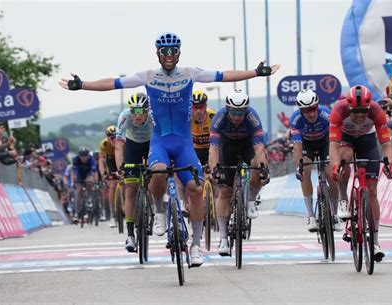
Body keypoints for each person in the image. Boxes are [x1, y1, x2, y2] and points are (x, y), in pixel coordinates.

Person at [59, 32, 279, 267]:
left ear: (179, 53)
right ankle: (159, 212)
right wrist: (82, 85)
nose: (169, 55)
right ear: (158, 54)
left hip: (184, 143)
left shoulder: (190, 73)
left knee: (196, 190)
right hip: (160, 141)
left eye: (173, 51)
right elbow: (113, 83)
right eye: (164, 51)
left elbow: (224, 75)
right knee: (158, 172)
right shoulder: (148, 76)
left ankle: (195, 246)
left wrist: (256, 72)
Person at [329, 85, 392, 262]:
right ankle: (343, 199)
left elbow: (387, 145)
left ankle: (374, 241)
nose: (359, 115)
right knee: (346, 157)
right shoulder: (338, 110)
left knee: (372, 191)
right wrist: (336, 166)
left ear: (369, 107)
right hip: (346, 138)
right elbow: (334, 145)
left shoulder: (376, 111)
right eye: (356, 111)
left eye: (363, 111)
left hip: (367, 141)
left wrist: (389, 163)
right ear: (349, 106)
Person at [208, 88, 270, 256]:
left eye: (240, 112)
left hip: (247, 145)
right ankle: (222, 238)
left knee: (257, 168)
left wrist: (262, 166)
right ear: (228, 109)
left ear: (246, 109)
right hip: (226, 146)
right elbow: (213, 149)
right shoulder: (219, 118)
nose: (237, 116)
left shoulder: (252, 116)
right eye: (234, 112)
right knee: (225, 191)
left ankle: (250, 201)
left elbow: (259, 148)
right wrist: (214, 169)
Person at [290, 89, 341, 232]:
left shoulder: (326, 115)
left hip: (326, 143)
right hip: (307, 145)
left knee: (332, 176)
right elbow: (297, 147)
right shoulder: (296, 119)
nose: (311, 113)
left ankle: (335, 214)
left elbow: (335, 140)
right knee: (304, 171)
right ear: (300, 110)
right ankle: (311, 216)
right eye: (307, 111)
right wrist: (298, 167)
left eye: (313, 109)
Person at [114, 92, 155, 252]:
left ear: (146, 111)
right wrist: (120, 168)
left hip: (152, 143)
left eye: (140, 111)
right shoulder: (124, 117)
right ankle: (130, 235)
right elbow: (118, 145)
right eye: (133, 111)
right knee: (130, 189)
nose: (136, 115)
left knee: (157, 177)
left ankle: (157, 207)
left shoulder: (153, 117)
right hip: (132, 146)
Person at [71, 147, 98, 222]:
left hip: (88, 173)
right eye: (82, 156)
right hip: (79, 174)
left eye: (85, 156)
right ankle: (76, 212)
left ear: (88, 155)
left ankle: (89, 197)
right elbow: (73, 172)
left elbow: (95, 172)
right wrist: (73, 182)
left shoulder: (91, 159)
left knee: (89, 181)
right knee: (78, 191)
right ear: (79, 156)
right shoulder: (76, 159)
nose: (84, 158)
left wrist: (95, 181)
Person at [99, 125, 119, 228]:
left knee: (126, 184)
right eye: (112, 138)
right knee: (112, 185)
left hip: (121, 157)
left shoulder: (122, 140)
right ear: (107, 138)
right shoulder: (104, 144)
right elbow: (101, 162)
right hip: (111, 160)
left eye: (116, 136)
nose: (114, 139)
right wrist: (104, 174)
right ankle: (113, 216)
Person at [191, 90, 216, 166]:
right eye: (195, 108)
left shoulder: (213, 116)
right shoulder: (187, 118)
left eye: (201, 107)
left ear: (205, 106)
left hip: (212, 148)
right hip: (196, 149)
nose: (198, 111)